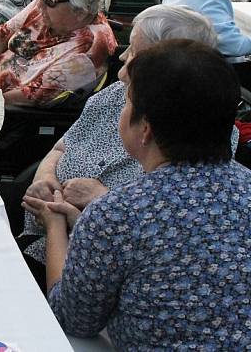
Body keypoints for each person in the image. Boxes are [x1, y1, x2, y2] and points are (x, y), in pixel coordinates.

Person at [23, 39, 251, 350]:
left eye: (127, 102)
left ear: (145, 129)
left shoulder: (118, 212)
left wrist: (54, 226)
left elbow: (70, 316)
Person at [18, 5, 220, 289]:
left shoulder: (197, 138)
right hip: (45, 233)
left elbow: (162, 234)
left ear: (171, 66)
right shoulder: (115, 95)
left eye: (134, 51)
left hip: (82, 264)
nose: (122, 57)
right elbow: (61, 148)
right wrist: (46, 178)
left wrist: (101, 202)